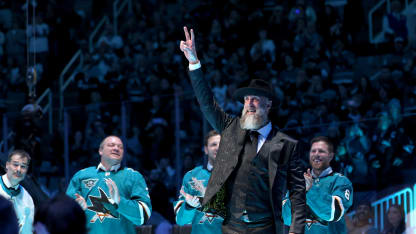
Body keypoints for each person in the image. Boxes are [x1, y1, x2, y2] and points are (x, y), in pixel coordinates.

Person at [179, 26, 306, 234]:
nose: (249, 104)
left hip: (267, 228)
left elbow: (298, 194)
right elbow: (207, 104)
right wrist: (194, 63)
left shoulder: (287, 145)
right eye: (247, 99)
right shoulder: (230, 128)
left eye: (255, 99)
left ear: (268, 105)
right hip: (232, 227)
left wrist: (296, 230)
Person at [66, 135, 152, 234]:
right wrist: (76, 209)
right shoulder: (81, 175)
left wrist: (119, 201)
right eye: (111, 145)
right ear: (100, 150)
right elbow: (65, 215)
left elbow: (144, 216)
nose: (116, 148)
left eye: (120, 147)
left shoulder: (133, 176)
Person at [282, 136, 353, 233]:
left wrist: (310, 190)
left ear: (331, 156)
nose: (316, 154)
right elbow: (286, 218)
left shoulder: (341, 181)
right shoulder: (298, 183)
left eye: (321, 151)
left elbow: (334, 212)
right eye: (313, 151)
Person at [173, 130, 224, 233]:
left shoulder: (238, 175)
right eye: (213, 144)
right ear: (206, 149)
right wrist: (189, 206)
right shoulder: (191, 176)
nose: (218, 147)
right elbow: (180, 220)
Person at [0, 150, 34, 234]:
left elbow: (28, 231)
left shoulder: (28, 198)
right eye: (15, 165)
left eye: (23, 166)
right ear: (7, 165)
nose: (19, 169)